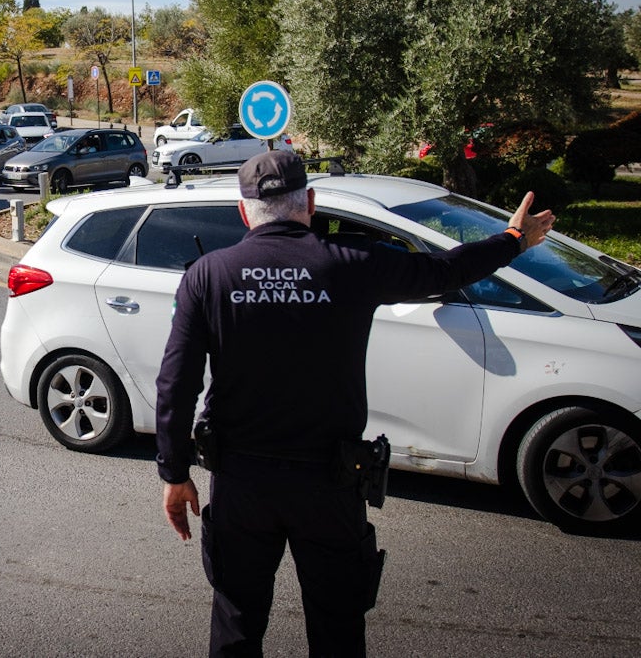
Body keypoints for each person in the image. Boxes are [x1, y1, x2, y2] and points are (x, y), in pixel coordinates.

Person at [156, 150, 555, 657]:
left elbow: (177, 382)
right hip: (329, 482)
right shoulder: (352, 264)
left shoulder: (209, 276)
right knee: (338, 627)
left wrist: (174, 473)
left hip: (242, 483)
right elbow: (444, 270)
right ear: (312, 202)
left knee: (237, 622)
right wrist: (514, 240)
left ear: (243, 211)